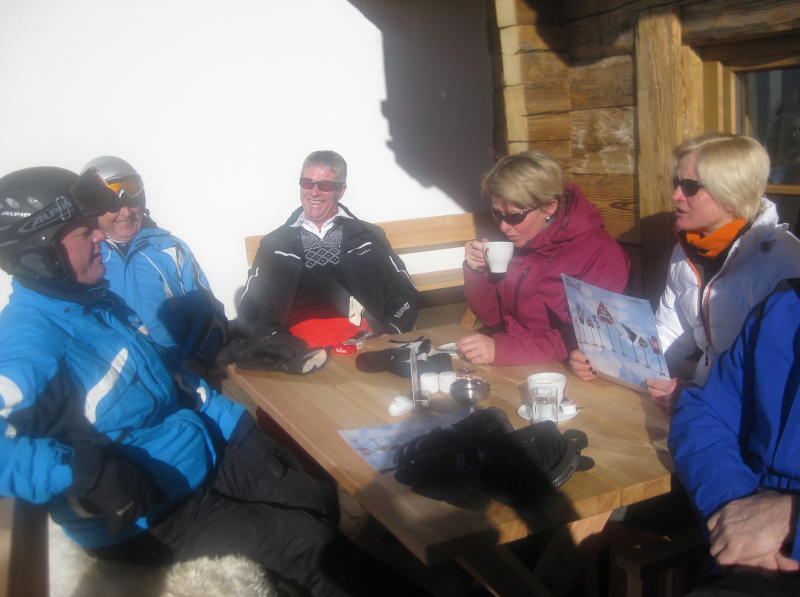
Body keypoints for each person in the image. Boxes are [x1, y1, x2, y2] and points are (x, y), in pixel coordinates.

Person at [0, 166, 431, 597]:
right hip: (149, 510)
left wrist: (240, 428)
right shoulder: (28, 341)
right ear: (39, 254)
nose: (98, 235)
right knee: (309, 545)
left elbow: (174, 383)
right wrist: (83, 474)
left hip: (196, 456)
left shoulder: (99, 304)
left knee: (312, 495)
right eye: (82, 231)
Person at [570, 133, 800, 414]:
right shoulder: (686, 250)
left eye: (690, 187)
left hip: (748, 417)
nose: (675, 196)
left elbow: (782, 384)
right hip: (701, 399)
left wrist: (702, 398)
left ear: (732, 192)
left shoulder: (785, 263)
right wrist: (605, 361)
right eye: (676, 183)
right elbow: (670, 331)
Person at [669, 280, 800, 597]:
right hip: (744, 563)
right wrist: (733, 507)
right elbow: (705, 415)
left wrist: (791, 520)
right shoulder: (781, 310)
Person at [456, 149, 629, 365]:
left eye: (514, 216)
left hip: (563, 368)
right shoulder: (517, 241)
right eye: (497, 214)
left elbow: (591, 340)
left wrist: (503, 351)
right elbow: (493, 318)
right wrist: (476, 271)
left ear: (549, 207)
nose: (504, 227)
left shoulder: (600, 253)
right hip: (514, 360)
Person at [236, 150, 418, 349]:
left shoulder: (368, 237)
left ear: (341, 191)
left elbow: (402, 288)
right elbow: (253, 301)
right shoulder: (276, 243)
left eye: (325, 185)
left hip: (361, 338)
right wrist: (276, 340)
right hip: (297, 344)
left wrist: (391, 331)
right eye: (307, 183)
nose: (314, 192)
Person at [82, 155, 226, 377]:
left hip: (181, 372)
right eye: (114, 206)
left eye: (133, 202)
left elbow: (209, 313)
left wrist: (195, 360)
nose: (126, 212)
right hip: (123, 383)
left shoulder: (169, 249)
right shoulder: (85, 259)